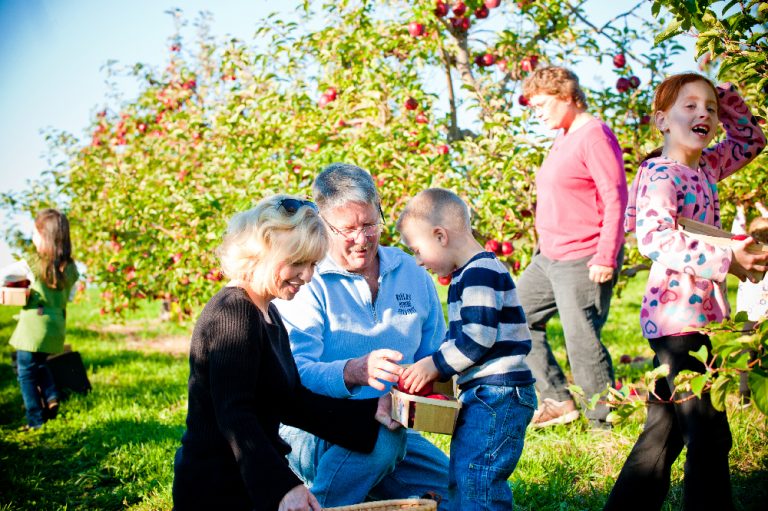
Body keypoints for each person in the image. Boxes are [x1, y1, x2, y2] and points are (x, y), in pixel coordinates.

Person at [172, 195, 398, 511]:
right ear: (261, 253)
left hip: (248, 479)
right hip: (218, 488)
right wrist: (282, 487)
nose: (307, 277)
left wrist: (369, 412)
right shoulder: (233, 314)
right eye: (297, 263)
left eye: (313, 265)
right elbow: (235, 416)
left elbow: (290, 401)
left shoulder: (268, 314)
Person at [605, 74, 767, 511]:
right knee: (709, 434)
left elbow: (752, 141)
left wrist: (726, 94)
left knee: (664, 431)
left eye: (710, 108)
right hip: (678, 319)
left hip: (703, 317)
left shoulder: (708, 167)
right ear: (661, 119)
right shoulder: (661, 174)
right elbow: (654, 239)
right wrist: (728, 261)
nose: (704, 114)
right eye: (690, 105)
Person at [274, 163, 450, 508]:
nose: (362, 238)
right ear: (323, 226)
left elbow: (435, 354)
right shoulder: (308, 280)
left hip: (394, 428)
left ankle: (364, 486)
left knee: (460, 494)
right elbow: (294, 371)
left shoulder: (411, 274)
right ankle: (322, 503)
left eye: (370, 224)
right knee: (380, 441)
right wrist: (352, 371)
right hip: (315, 429)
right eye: (348, 229)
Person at [396, 188, 536, 511]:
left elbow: (476, 338)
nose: (418, 262)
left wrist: (435, 365)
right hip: (484, 394)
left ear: (440, 236)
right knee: (464, 472)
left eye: (418, 251)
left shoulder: (480, 273)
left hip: (498, 395)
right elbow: (457, 337)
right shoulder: (465, 275)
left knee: (479, 478)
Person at [516, 66, 628, 428]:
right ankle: (558, 399)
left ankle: (602, 424)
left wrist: (606, 255)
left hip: (584, 255)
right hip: (549, 256)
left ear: (566, 96)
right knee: (514, 317)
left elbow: (615, 198)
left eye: (542, 104)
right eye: (533, 108)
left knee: (582, 341)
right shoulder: (563, 136)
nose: (538, 113)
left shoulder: (594, 135)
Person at [1, 209, 79, 431]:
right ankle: (52, 395)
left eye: (35, 233)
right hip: (55, 327)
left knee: (25, 373)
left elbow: (4, 275)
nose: (33, 238)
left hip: (33, 329)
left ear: (45, 236)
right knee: (40, 362)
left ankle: (35, 420)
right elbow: (70, 297)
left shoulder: (34, 264)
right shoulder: (71, 268)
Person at [729, 202, 768, 405]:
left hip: (749, 319)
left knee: (747, 358)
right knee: (763, 358)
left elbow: (736, 234)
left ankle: (744, 399)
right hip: (766, 320)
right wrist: (762, 210)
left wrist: (740, 211)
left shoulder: (744, 258)